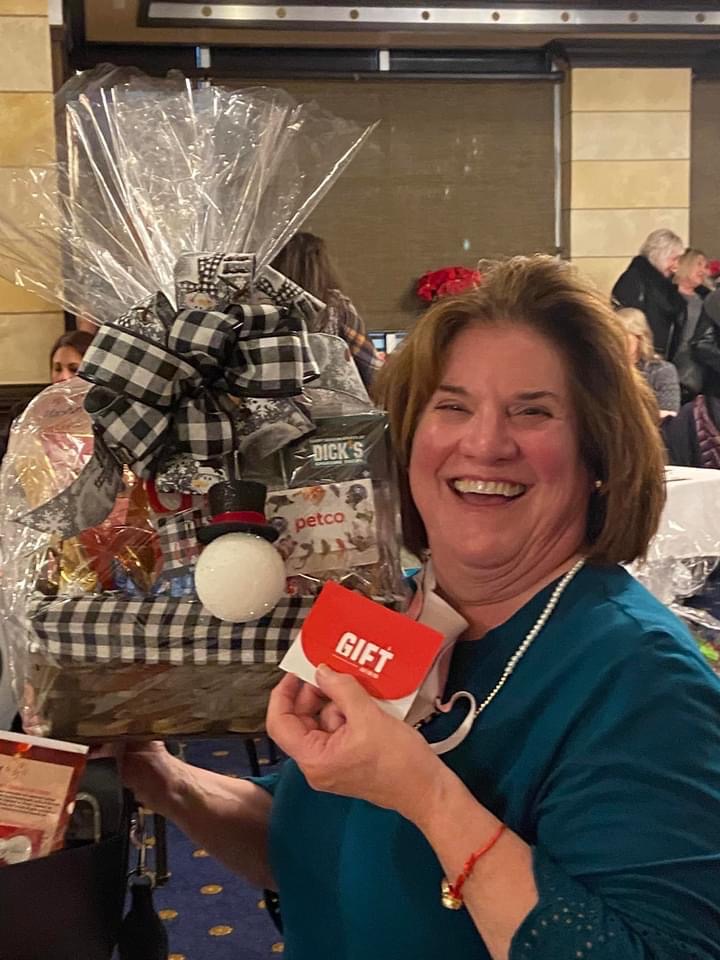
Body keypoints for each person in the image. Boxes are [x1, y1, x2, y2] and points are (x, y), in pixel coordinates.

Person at [122, 256, 720, 960]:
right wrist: (164, 778)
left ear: (600, 455)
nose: (485, 443)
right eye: (453, 406)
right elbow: (316, 842)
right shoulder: (392, 612)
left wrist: (428, 797)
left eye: (533, 411)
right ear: (405, 442)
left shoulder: (643, 680)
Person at [271, 231, 382, 389]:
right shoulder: (336, 307)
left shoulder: (259, 309)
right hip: (330, 401)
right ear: (320, 264)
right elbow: (372, 370)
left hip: (273, 399)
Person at [612, 227, 685, 360]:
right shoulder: (634, 280)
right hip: (642, 358)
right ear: (660, 255)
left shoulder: (664, 285)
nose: (676, 266)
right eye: (674, 259)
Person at [615, 306, 680, 414]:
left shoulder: (662, 370)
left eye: (623, 337)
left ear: (640, 338)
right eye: (614, 337)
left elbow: (669, 414)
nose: (618, 343)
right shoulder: (605, 369)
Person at [673, 248, 711, 401]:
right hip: (675, 365)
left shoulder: (706, 299)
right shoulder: (668, 297)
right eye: (699, 264)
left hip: (698, 369)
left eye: (705, 266)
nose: (703, 271)